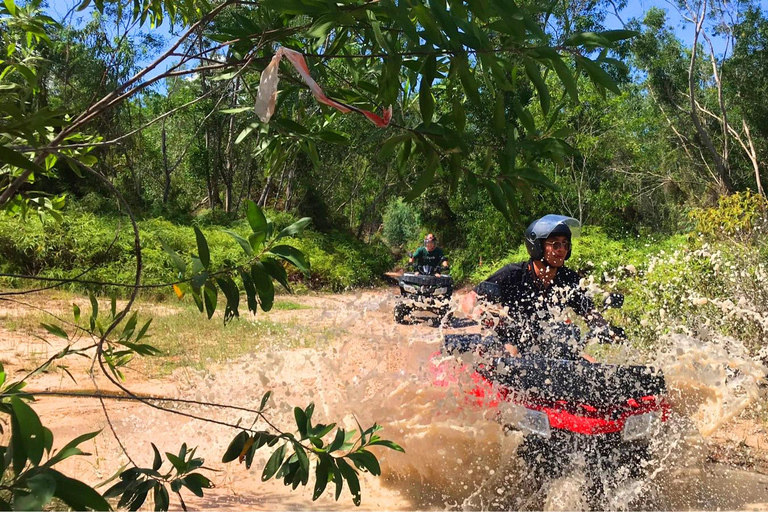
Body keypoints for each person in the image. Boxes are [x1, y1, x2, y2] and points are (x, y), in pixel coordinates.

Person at [460, 214, 624, 360]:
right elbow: (469, 299)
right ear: (537, 246)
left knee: (589, 361)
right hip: (512, 339)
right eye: (555, 245)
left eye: (565, 244)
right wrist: (479, 312)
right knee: (512, 353)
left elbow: (590, 314)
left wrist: (606, 330)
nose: (561, 250)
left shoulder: (569, 280)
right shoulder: (513, 274)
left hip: (548, 339)